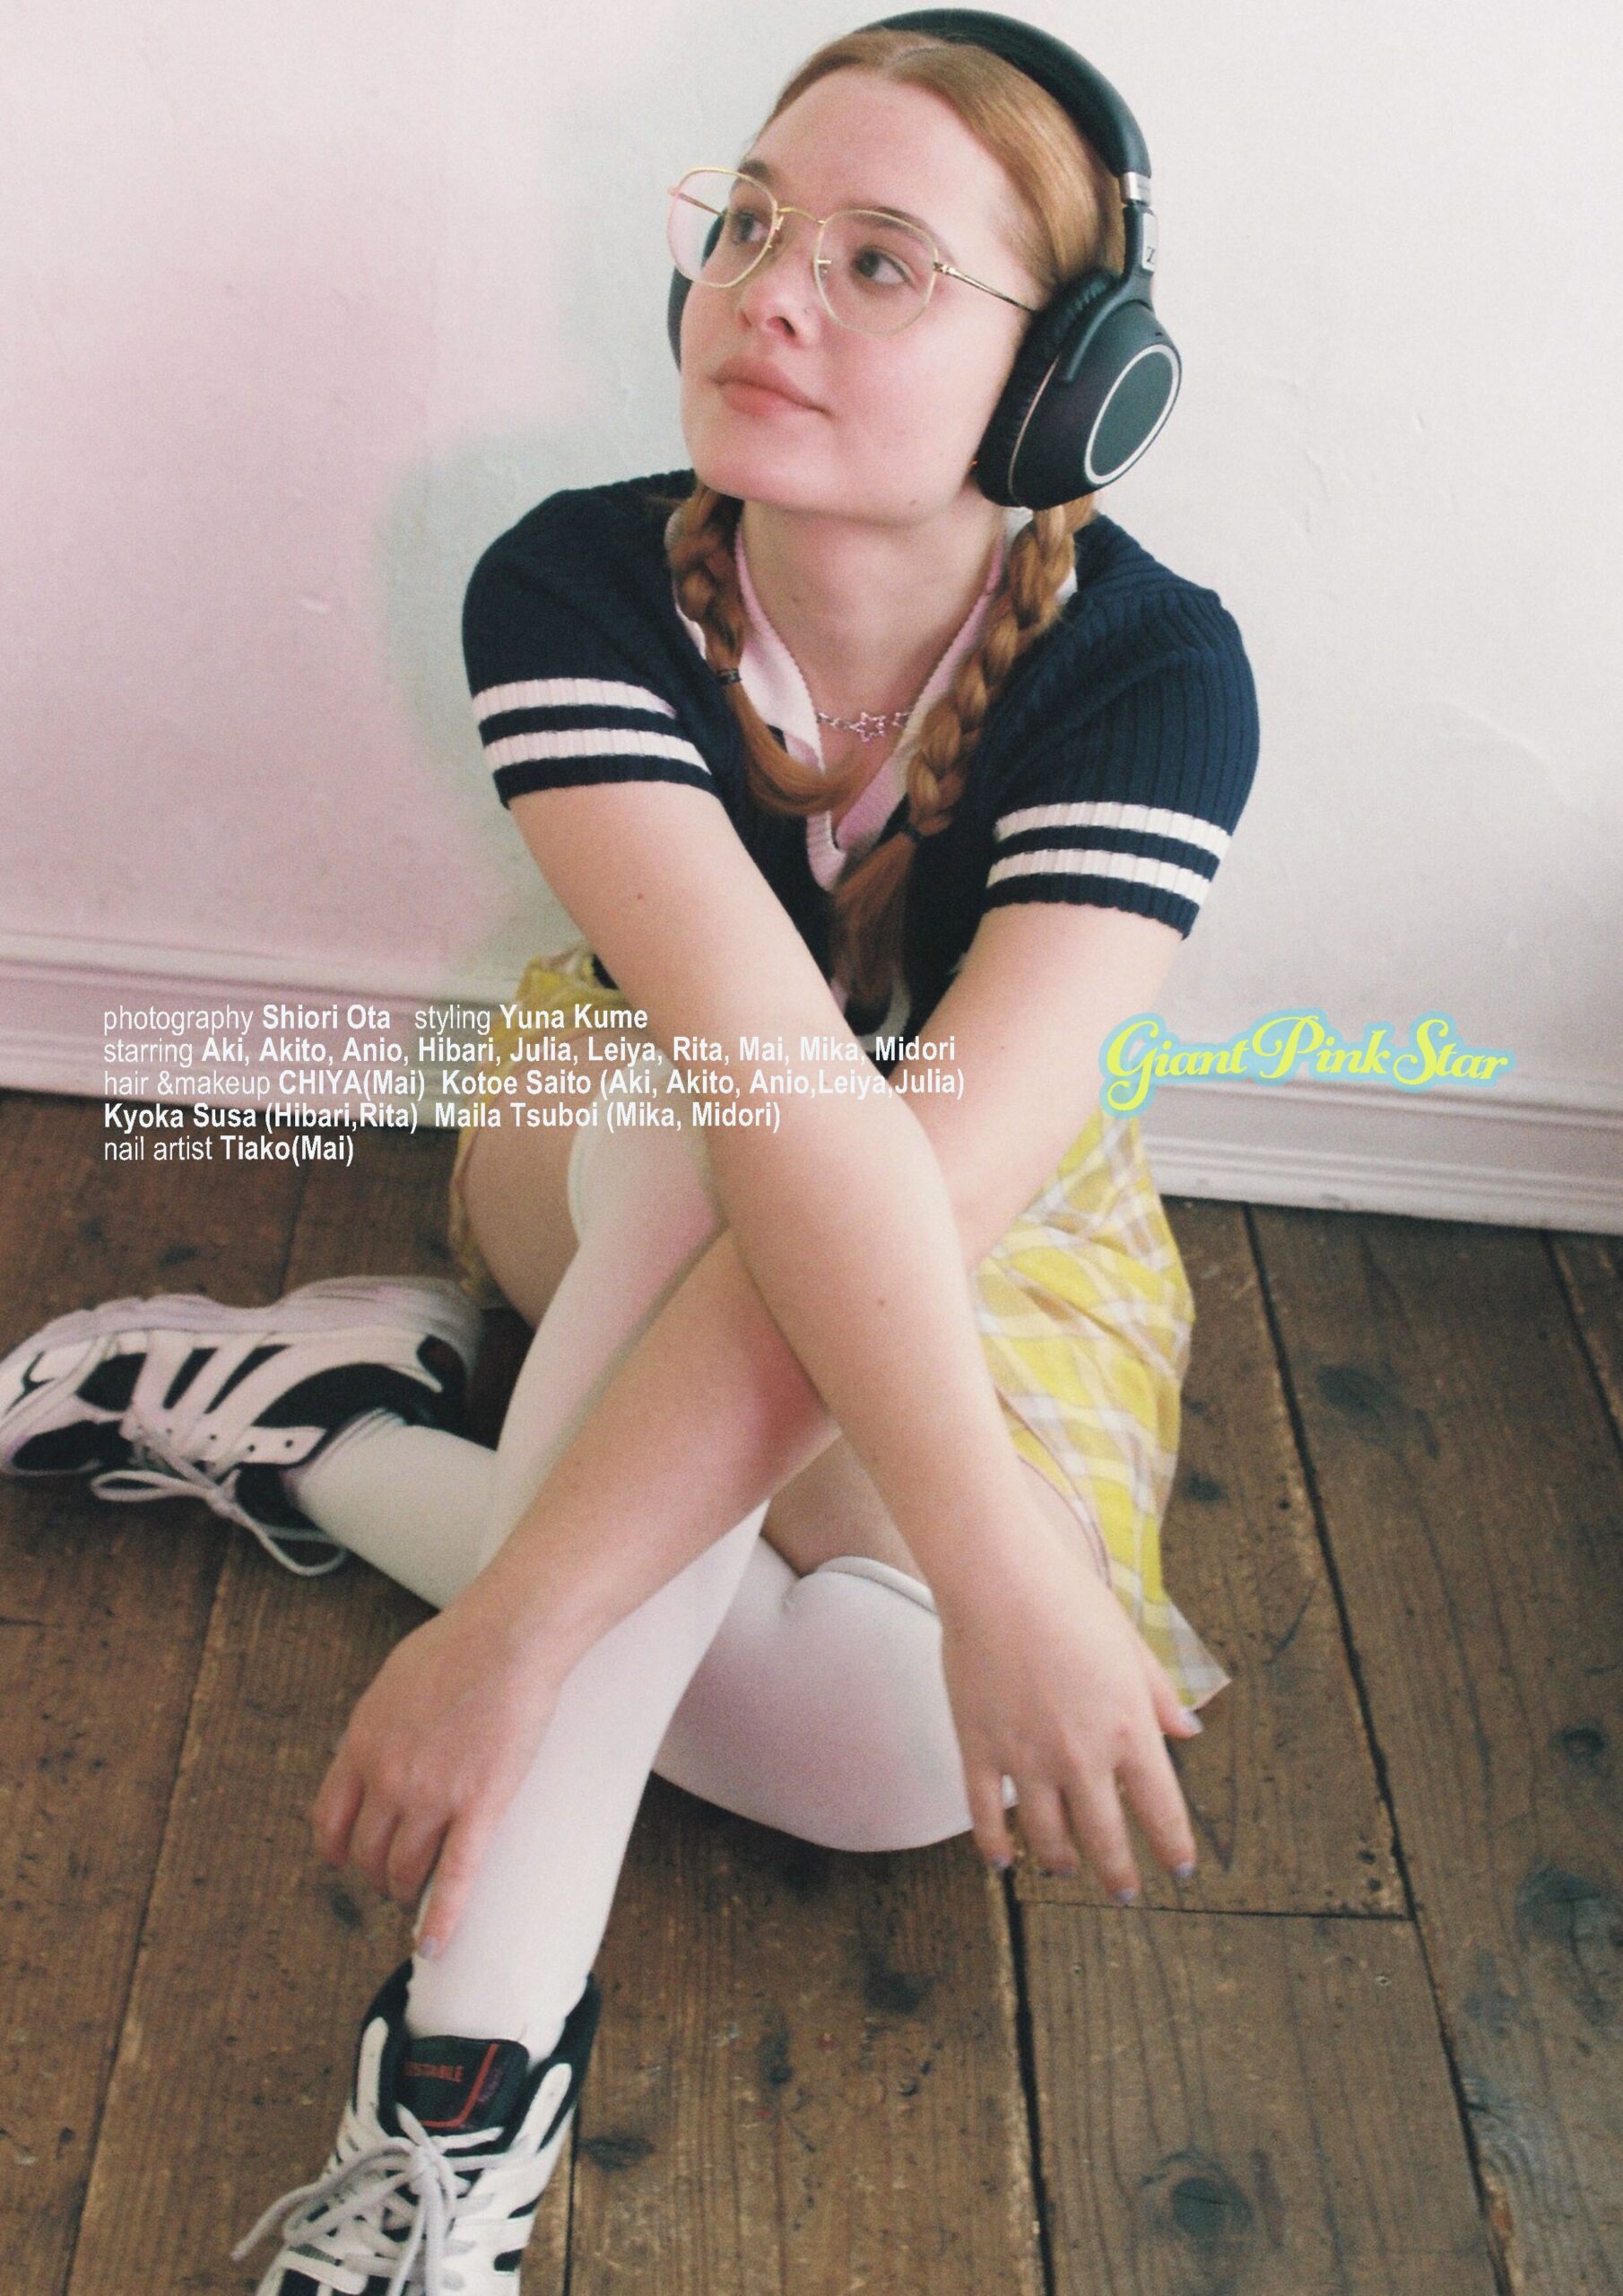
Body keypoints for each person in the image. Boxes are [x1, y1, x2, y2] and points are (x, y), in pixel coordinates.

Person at [0, 14, 1259, 2289]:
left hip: (979, 1194)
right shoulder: (576, 585)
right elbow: (775, 1133)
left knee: (894, 1750)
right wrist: (585, 1618)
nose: (767, 293)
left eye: (879, 262)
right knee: (722, 1138)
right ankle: (457, 2101)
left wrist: (534, 1607)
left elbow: (912, 1188)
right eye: (750, 224)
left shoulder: (1154, 673)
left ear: (1067, 385)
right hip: (615, 1129)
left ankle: (318, 1427)